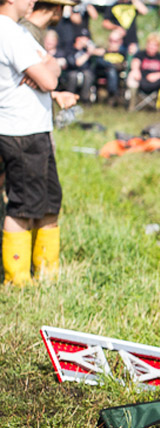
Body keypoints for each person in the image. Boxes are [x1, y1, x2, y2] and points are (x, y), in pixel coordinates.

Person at [0, 0, 67, 286]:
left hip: (35, 128)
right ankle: (17, 281)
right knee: (23, 206)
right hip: (21, 130)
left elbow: (53, 66)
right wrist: (45, 71)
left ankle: (47, 274)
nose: (32, 1)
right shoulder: (9, 33)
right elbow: (50, 80)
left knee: (50, 201)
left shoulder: (18, 31)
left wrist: (46, 68)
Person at [126, 32, 160, 111]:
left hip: (157, 83)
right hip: (141, 81)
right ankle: (131, 106)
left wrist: (158, 75)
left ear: (158, 47)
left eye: (154, 45)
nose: (152, 47)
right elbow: (135, 62)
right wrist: (136, 70)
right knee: (132, 74)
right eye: (150, 44)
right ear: (147, 44)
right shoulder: (140, 54)